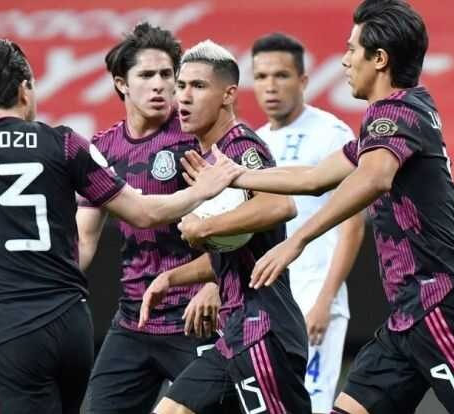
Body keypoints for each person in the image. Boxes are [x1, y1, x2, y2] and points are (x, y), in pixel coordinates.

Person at [0, 39, 240, 414]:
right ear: (24, 88)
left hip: (6, 329)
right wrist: (200, 190)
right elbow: (143, 213)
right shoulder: (64, 143)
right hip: (71, 325)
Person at [183, 2, 454, 413]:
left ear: (379, 59)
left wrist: (298, 240)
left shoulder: (396, 112)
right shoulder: (395, 118)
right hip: (407, 317)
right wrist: (236, 175)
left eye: (351, 49)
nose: (344, 60)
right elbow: (314, 177)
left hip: (440, 306)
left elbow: (374, 178)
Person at [77, 22, 241, 414]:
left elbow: (240, 223)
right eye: (147, 75)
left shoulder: (195, 138)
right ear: (121, 84)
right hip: (133, 320)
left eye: (168, 75)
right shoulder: (101, 150)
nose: (160, 85)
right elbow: (83, 241)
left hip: (195, 317)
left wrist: (215, 284)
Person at [141, 39, 311, 414]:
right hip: (234, 332)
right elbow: (236, 252)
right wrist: (171, 278)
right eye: (181, 86)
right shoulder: (207, 159)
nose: (184, 97)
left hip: (263, 329)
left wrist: (205, 227)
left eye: (198, 86)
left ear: (228, 95)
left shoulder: (239, 146)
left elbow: (280, 204)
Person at [250, 32, 365, 413]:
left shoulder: (332, 134)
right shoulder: (254, 143)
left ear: (302, 81)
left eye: (281, 75)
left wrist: (325, 300)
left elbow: (353, 224)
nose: (270, 86)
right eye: (261, 76)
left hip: (315, 296)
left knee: (312, 403)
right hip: (269, 302)